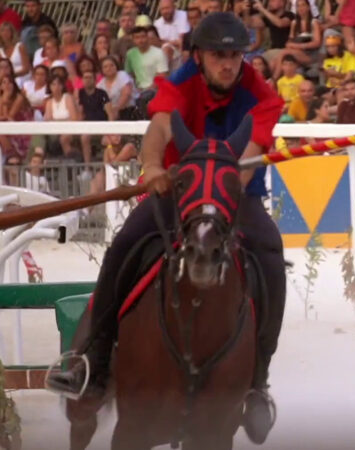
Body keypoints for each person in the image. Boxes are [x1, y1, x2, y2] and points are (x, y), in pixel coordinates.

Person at [45, 13, 286, 445]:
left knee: (270, 251)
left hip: (234, 194)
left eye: (235, 55)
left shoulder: (263, 95)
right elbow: (159, 129)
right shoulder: (179, 82)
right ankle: (93, 364)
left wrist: (221, 193)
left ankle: (258, 381)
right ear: (199, 56)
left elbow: (246, 160)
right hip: (176, 191)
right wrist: (153, 166)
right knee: (125, 243)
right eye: (218, 55)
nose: (228, 64)